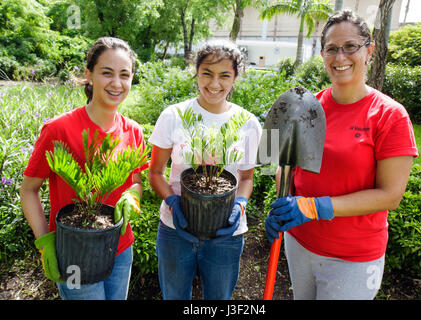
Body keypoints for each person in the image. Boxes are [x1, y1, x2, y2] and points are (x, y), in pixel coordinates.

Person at [265, 9, 418, 300]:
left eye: (350, 47)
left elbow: (390, 195)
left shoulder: (389, 116)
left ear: (369, 50)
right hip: (300, 243)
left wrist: (313, 208)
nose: (340, 57)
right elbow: (287, 169)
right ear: (322, 54)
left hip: (353, 258)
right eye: (332, 49)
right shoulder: (307, 108)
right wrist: (282, 206)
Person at [20, 37, 149, 300]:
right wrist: (45, 242)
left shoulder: (133, 130)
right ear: (88, 75)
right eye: (107, 73)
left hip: (121, 249)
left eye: (125, 75)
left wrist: (133, 195)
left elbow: (135, 180)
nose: (117, 83)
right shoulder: (59, 129)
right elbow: (29, 190)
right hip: (75, 254)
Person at [148, 40, 262, 300]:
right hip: (175, 231)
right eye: (207, 73)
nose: (214, 84)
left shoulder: (248, 123)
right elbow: (155, 173)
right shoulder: (173, 116)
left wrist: (239, 205)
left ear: (235, 78)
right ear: (196, 72)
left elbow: (246, 178)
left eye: (225, 76)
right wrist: (172, 202)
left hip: (226, 233)